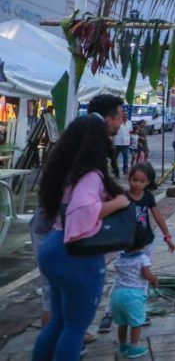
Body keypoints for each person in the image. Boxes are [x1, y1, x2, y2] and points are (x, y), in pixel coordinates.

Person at [32, 115, 130, 360]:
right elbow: (84, 212)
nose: (111, 139)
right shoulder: (90, 175)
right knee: (75, 328)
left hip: (53, 248)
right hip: (76, 254)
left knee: (58, 322)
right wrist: (118, 203)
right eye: (106, 136)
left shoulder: (65, 171)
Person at [97, 163, 175, 334]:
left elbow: (158, 216)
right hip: (126, 245)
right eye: (134, 179)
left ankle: (139, 310)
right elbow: (112, 218)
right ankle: (109, 313)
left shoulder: (148, 197)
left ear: (148, 182)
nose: (137, 184)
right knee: (121, 278)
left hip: (145, 243)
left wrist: (167, 236)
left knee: (143, 278)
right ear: (129, 179)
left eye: (142, 181)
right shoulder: (123, 198)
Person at [109, 244, 159, 359]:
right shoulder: (142, 258)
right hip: (133, 296)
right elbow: (146, 274)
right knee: (136, 324)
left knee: (122, 323)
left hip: (117, 294)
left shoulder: (119, 258)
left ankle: (123, 346)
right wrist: (155, 279)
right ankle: (133, 348)